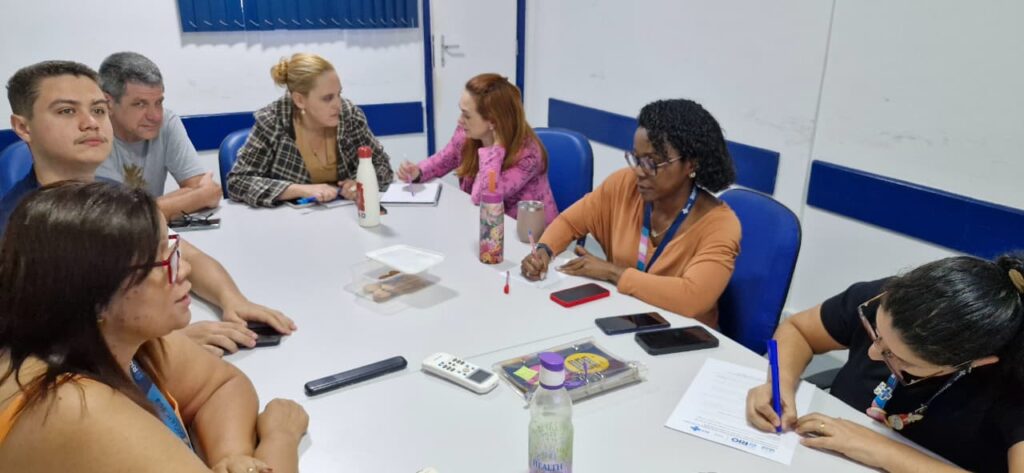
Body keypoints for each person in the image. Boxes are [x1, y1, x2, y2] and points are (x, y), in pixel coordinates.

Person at [0, 181, 308, 472]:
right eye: (165, 261)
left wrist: (232, 457)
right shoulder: (76, 408)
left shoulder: (107, 337)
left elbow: (220, 385)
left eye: (174, 248)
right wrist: (280, 436)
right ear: (97, 297)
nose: (185, 268)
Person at [3, 60, 296, 356]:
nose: (90, 122)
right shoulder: (15, 231)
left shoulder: (115, 194)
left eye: (99, 110)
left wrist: (232, 299)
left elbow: (183, 253)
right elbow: (37, 346)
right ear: (23, 127)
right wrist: (160, 345)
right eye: (67, 111)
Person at [745, 254, 1024, 473]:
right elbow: (799, 330)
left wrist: (882, 451)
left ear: (974, 363)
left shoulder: (1013, 381)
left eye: (897, 357)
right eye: (874, 333)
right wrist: (779, 382)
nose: (873, 354)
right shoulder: (891, 302)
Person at [520, 99, 739, 327]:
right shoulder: (625, 185)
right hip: (626, 319)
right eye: (637, 158)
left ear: (691, 165)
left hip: (683, 337)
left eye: (652, 162)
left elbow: (692, 299)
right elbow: (569, 222)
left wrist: (614, 273)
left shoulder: (720, 225)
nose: (639, 171)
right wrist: (544, 251)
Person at [227, 53, 393, 207]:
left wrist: (360, 183)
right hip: (288, 224)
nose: (338, 105)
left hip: (345, 217)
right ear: (299, 100)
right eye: (327, 98)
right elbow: (237, 183)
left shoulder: (349, 116)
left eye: (339, 94)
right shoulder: (273, 122)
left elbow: (383, 167)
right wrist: (300, 190)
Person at [396, 73, 558, 224]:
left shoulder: (527, 155)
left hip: (529, 240)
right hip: (486, 227)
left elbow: (485, 196)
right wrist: (418, 172)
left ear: (492, 121)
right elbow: (443, 159)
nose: (460, 121)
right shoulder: (466, 135)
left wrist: (495, 149)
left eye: (467, 115)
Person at [96, 52, 222, 220]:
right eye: (140, 104)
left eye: (159, 103)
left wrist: (144, 213)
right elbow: (109, 220)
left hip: (152, 235)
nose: (155, 116)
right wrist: (198, 197)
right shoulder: (90, 135)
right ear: (108, 103)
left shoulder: (166, 122)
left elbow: (200, 186)